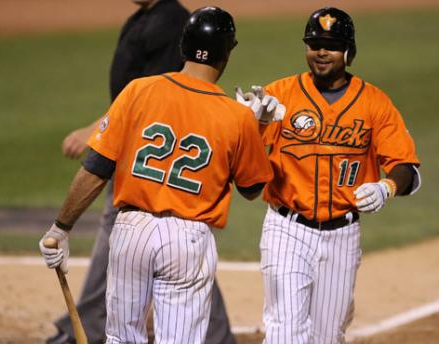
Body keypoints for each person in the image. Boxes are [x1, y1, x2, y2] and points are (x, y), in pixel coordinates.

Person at [40, 6, 275, 344]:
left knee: (121, 338)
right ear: (226, 55)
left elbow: (96, 167)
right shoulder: (236, 116)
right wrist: (259, 127)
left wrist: (60, 227)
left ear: (182, 47)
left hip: (130, 232)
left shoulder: (138, 91)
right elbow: (252, 188)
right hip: (186, 239)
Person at [243, 7, 422, 343]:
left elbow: (407, 168)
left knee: (327, 337)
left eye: (331, 44)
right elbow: (243, 168)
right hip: (286, 231)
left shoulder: (374, 103)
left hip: (343, 236)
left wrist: (386, 187)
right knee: (285, 333)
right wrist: (253, 126)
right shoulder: (278, 95)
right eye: (314, 43)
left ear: (349, 52)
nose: (321, 52)